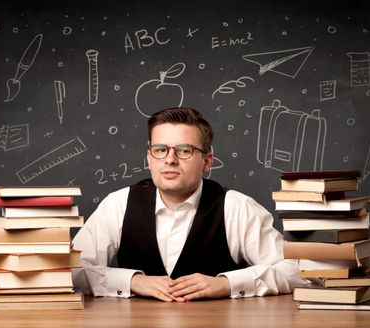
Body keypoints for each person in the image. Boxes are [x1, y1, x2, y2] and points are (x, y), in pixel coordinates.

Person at [72, 107, 306, 302]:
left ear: (207, 161)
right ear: (149, 159)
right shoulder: (118, 204)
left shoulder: (236, 207)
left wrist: (226, 284)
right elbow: (72, 269)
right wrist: (132, 281)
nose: (170, 159)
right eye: (160, 150)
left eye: (184, 150)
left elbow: (296, 271)